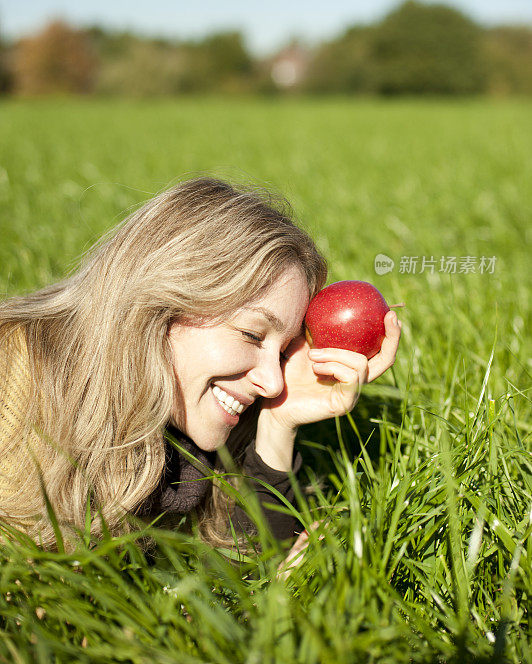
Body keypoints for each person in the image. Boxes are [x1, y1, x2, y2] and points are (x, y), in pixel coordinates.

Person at [0, 176, 401, 553]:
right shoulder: (17, 391)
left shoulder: (176, 437)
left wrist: (279, 424)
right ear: (161, 305)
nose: (273, 383)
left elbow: (235, 576)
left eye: (282, 353)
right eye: (252, 334)